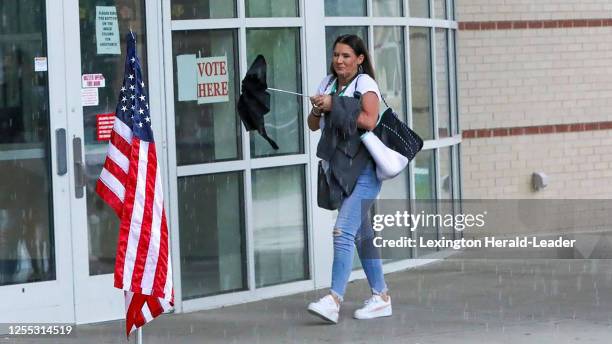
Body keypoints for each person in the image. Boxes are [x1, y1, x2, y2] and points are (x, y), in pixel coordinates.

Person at [306, 34, 391, 323]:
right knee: (363, 236)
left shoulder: (365, 85)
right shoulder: (327, 84)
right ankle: (381, 297)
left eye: (345, 56)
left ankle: (333, 300)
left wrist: (335, 104)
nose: (339, 61)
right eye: (336, 55)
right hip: (341, 172)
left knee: (342, 231)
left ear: (359, 59)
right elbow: (312, 125)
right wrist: (319, 108)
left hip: (365, 172)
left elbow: (369, 119)